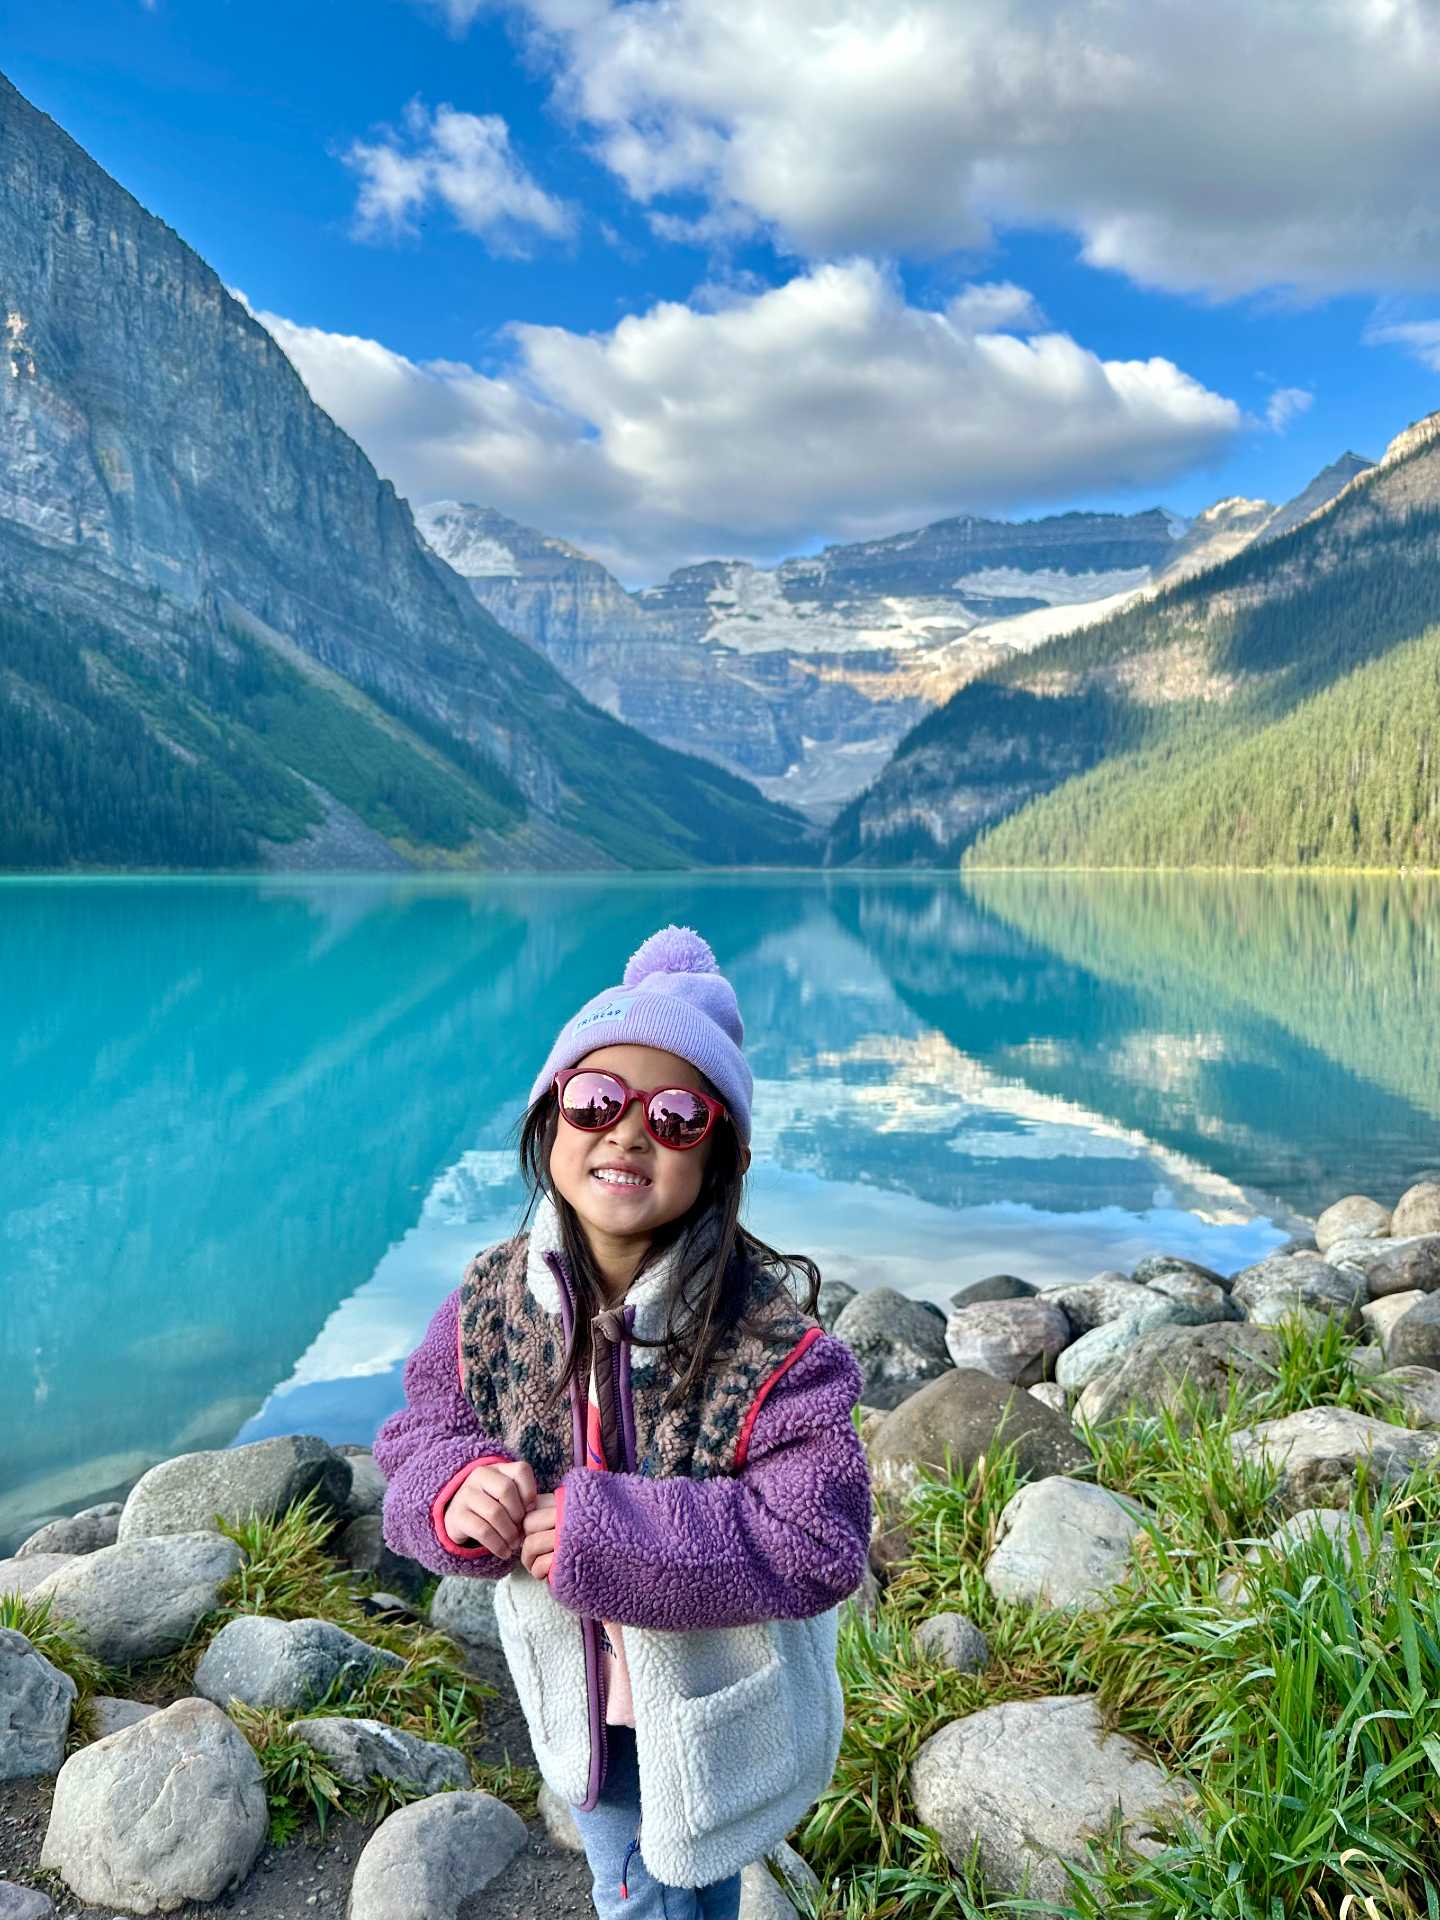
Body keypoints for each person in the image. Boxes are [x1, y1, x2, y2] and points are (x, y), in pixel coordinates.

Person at [374, 923, 872, 1919]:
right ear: (548, 1123)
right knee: (624, 1881)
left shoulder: (767, 1343)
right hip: (580, 1714)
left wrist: (616, 1536)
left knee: (677, 1896)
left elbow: (821, 1540)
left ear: (720, 1156)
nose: (629, 1132)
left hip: (712, 1718)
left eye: (677, 1115)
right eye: (597, 1100)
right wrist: (451, 1492)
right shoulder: (488, 1302)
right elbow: (415, 1437)